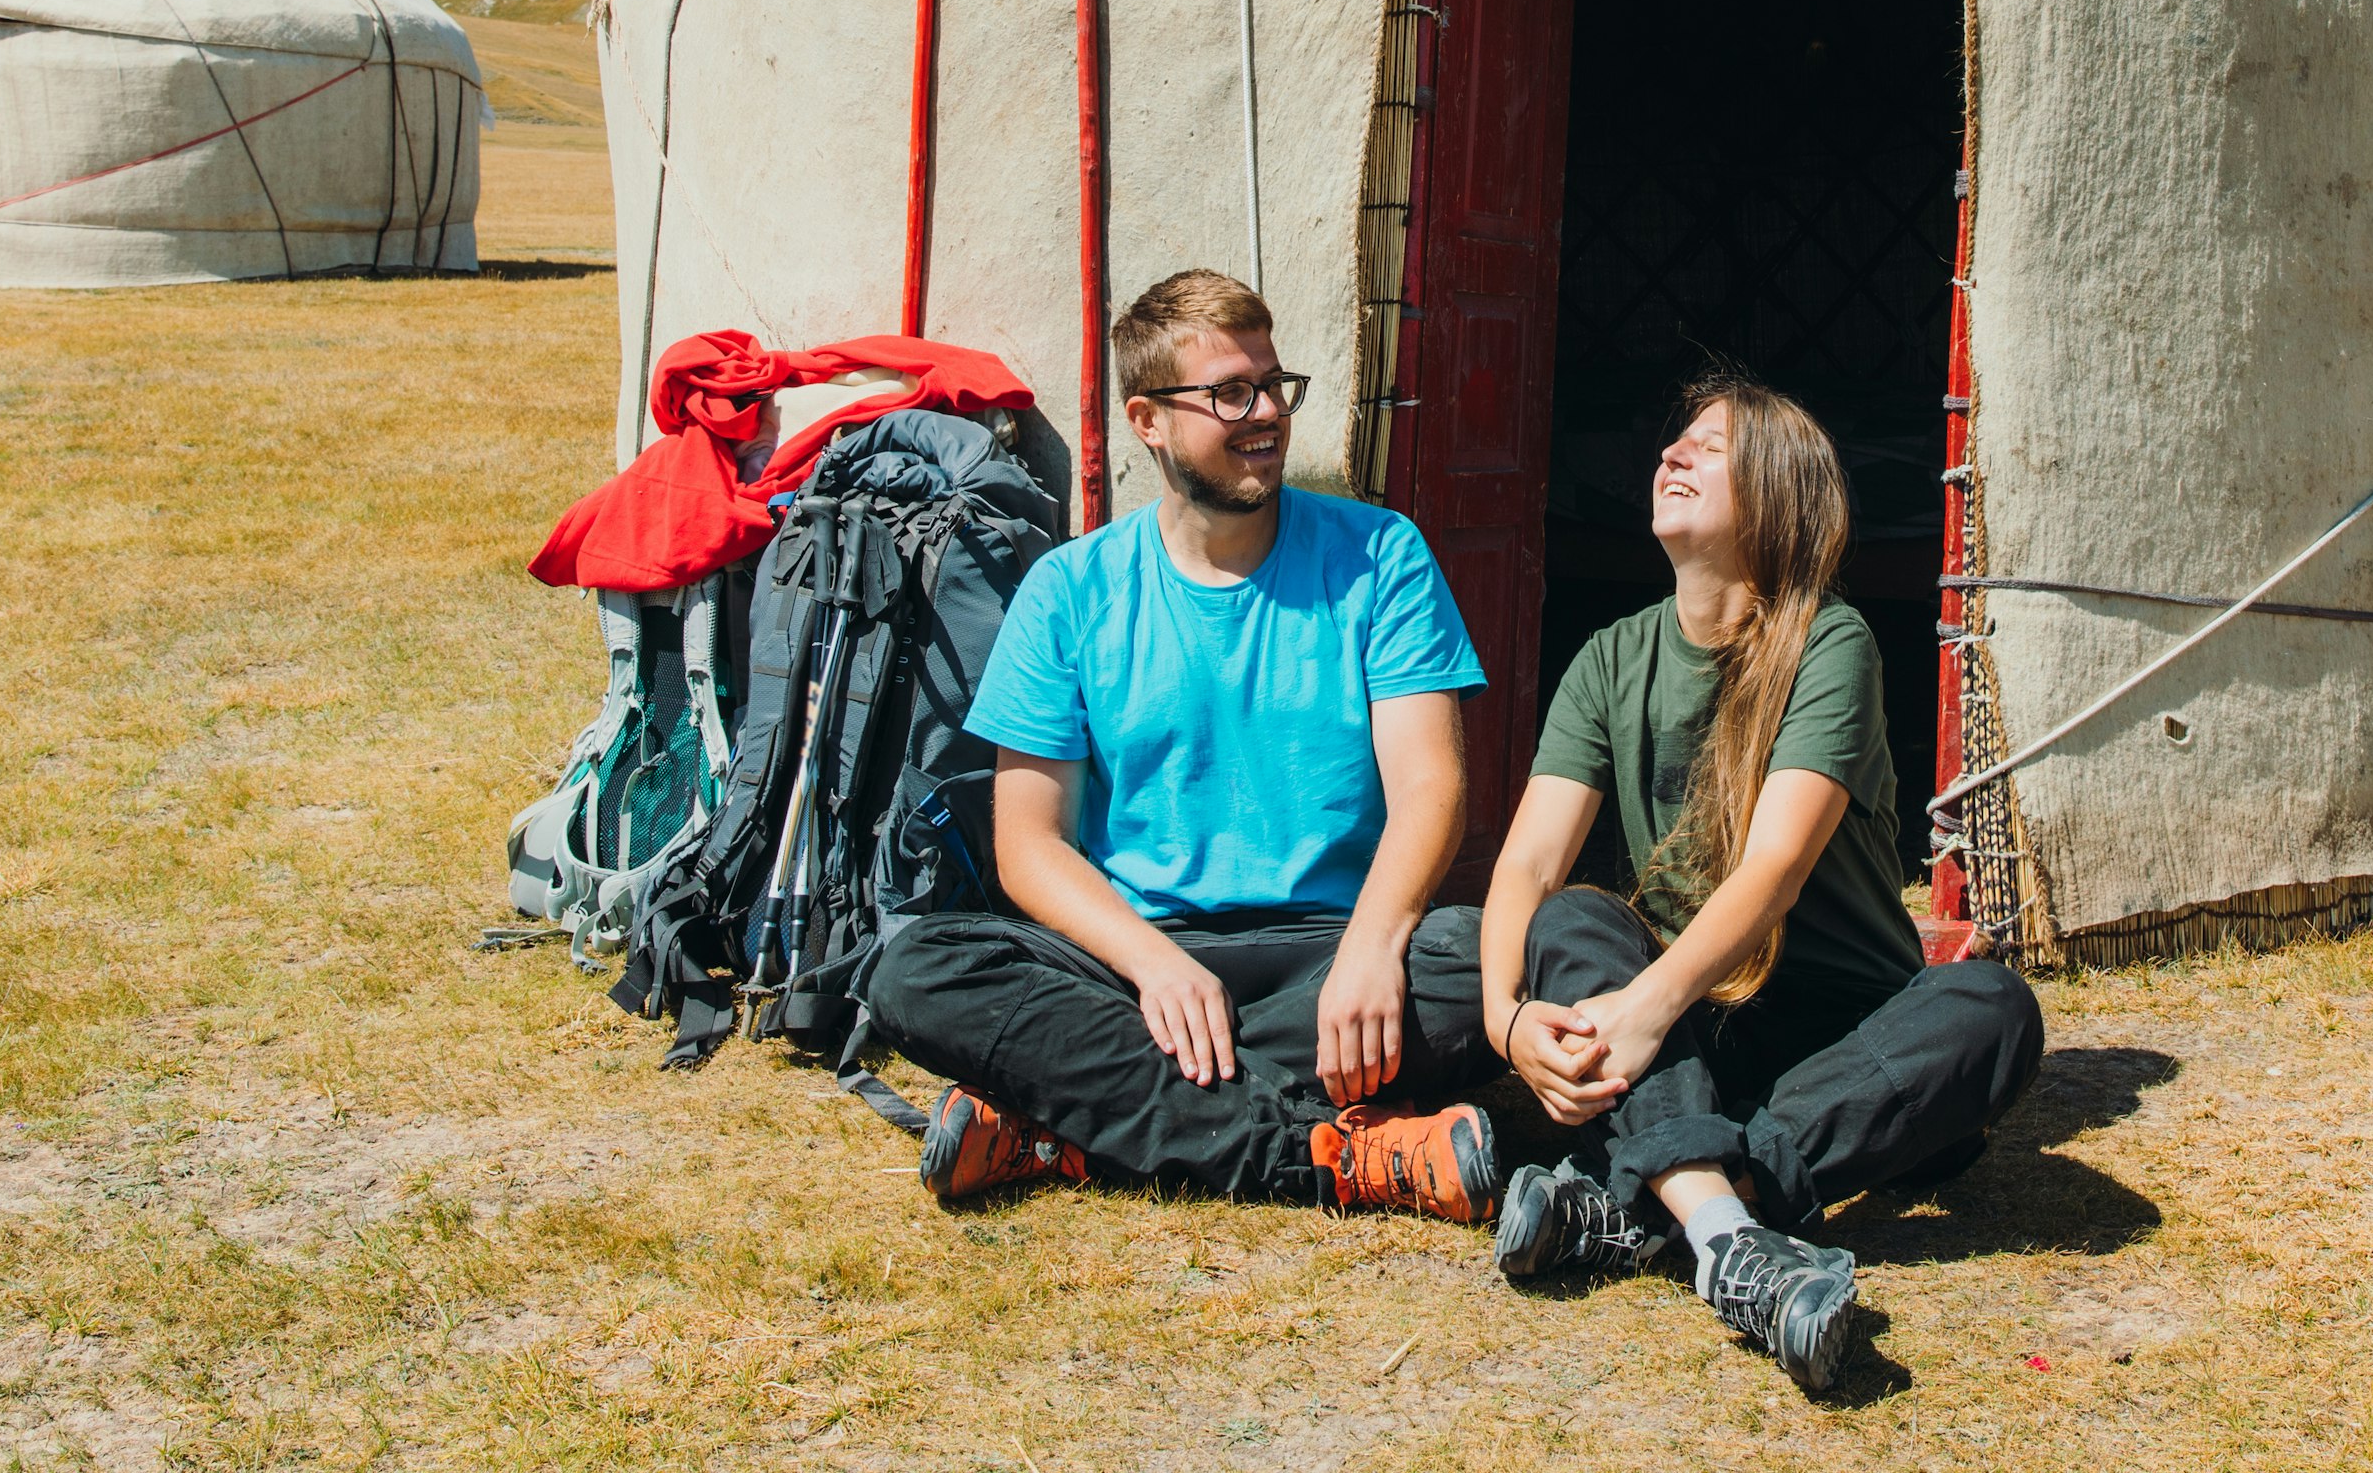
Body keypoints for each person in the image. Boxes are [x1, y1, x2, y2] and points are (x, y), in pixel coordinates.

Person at [864, 267, 1501, 1219]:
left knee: (1510, 954)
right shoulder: (1071, 591)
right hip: (1137, 963)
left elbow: (1432, 787)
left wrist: (1374, 946)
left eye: (1275, 385)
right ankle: (1325, 1153)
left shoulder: (1381, 556)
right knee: (917, 969)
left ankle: (1068, 1123)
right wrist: (1155, 966)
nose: (1267, 416)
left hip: (1333, 953)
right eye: (1230, 394)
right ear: (1147, 420)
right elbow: (1027, 843)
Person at [1473, 377, 2046, 1395]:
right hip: (1700, 1034)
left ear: (1779, 497)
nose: (1673, 455)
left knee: (1993, 1007)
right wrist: (1506, 1022)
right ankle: (1730, 1235)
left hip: (1846, 1041)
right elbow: (1524, 865)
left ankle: (1653, 1205)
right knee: (1571, 918)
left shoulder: (1829, 642)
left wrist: (1645, 1008)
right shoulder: (1612, 658)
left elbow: (1775, 868)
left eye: (1711, 446)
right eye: (1674, 440)